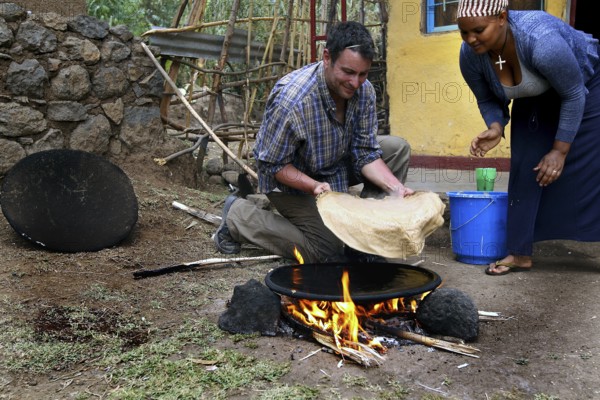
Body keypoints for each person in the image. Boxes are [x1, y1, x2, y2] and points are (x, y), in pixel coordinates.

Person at [212, 21, 414, 264]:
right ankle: (239, 217)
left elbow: (365, 152)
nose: (355, 82)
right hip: (291, 183)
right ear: (327, 57)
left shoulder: (365, 91)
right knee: (326, 251)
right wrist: (313, 186)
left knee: (396, 149)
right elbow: (272, 166)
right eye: (348, 72)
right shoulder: (293, 100)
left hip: (334, 166)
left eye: (363, 74)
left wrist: (396, 188)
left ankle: (364, 238)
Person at [457, 0, 600, 275]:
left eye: (478, 30)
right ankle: (519, 253)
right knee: (525, 162)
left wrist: (559, 151)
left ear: (501, 17)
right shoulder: (470, 55)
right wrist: (496, 127)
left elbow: (573, 94)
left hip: (585, 85)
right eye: (464, 32)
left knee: (590, 164)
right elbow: (486, 98)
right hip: (534, 90)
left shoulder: (541, 41)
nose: (470, 39)